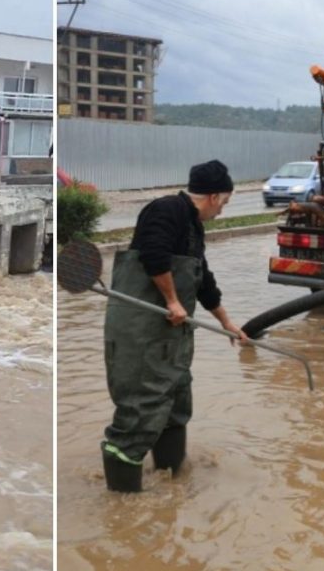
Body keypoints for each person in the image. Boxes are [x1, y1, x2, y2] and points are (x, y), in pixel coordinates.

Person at [101, 159, 248, 493]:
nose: (222, 211)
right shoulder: (165, 210)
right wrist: (171, 300)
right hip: (142, 334)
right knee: (140, 410)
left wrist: (227, 323)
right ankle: (123, 506)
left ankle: (171, 482)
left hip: (173, 338)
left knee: (175, 404)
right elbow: (154, 254)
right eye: (224, 203)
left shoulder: (194, 228)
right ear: (213, 197)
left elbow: (203, 280)